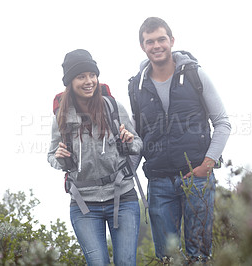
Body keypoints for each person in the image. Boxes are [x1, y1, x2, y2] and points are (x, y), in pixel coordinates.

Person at [128, 17, 231, 263]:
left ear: (171, 41)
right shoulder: (136, 87)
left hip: (196, 178)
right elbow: (138, 138)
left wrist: (206, 166)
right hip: (159, 183)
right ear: (143, 46)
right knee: (168, 259)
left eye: (161, 39)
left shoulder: (195, 74)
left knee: (200, 257)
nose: (156, 45)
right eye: (149, 41)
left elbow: (223, 123)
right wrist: (125, 176)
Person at [47, 49, 142, 266]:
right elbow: (52, 156)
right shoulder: (61, 117)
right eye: (81, 76)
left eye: (92, 75)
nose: (89, 81)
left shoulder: (113, 107)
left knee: (126, 263)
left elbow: (138, 143)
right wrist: (60, 157)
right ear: (70, 82)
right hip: (83, 205)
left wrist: (129, 141)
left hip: (122, 197)